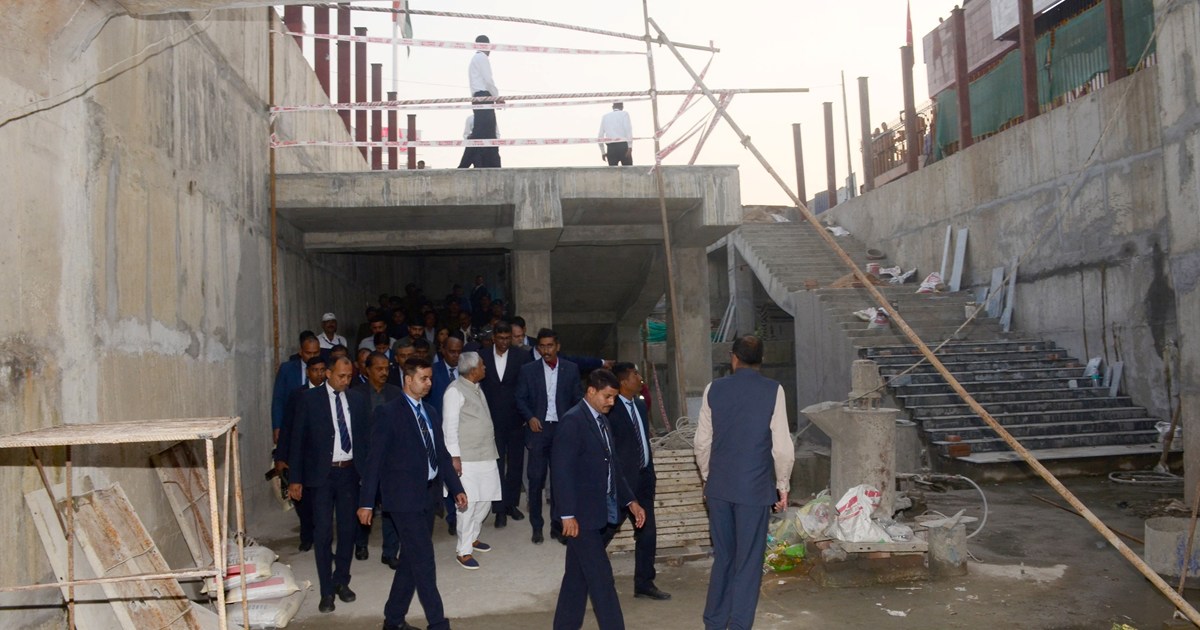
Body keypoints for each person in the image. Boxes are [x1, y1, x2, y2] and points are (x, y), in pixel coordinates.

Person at [358, 358, 467, 630]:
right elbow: (375, 461)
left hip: (428, 496)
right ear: (408, 380)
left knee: (410, 561)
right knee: (425, 561)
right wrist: (366, 503)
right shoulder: (388, 413)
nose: (429, 383)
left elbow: (440, 454)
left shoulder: (430, 411)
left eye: (430, 378)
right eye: (424, 378)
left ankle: (393, 620)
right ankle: (438, 624)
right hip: (402, 499)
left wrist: (456, 489)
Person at [694, 336, 795, 630]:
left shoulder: (714, 389)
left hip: (720, 489)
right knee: (748, 563)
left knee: (723, 557)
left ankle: (714, 622)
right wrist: (783, 486)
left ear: (733, 357)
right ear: (760, 360)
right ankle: (738, 625)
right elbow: (782, 447)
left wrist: (708, 478)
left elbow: (702, 443)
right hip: (754, 490)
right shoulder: (773, 390)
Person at [550, 369, 645, 630]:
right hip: (581, 517)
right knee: (602, 580)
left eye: (614, 397)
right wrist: (566, 513)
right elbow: (561, 471)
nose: (611, 402)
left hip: (599, 510)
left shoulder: (602, 419)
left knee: (576, 579)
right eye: (607, 396)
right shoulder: (573, 422)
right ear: (591, 391)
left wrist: (630, 500)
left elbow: (613, 465)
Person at [287, 356, 371, 613]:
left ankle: (341, 581)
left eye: (349, 376)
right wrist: (295, 479)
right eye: (340, 376)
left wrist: (368, 475)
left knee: (348, 531)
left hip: (349, 474)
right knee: (323, 533)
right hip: (321, 477)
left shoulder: (357, 400)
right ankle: (326, 592)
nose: (345, 381)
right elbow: (297, 440)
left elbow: (366, 439)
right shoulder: (309, 400)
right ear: (327, 373)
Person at [606, 362, 670, 600]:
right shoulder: (611, 409)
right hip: (623, 482)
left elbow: (644, 440)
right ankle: (585, 570)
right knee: (608, 528)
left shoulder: (640, 405)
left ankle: (644, 583)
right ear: (623, 381)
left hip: (643, 478)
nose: (640, 378)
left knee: (648, 532)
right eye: (635, 375)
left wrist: (650, 471)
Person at [516, 328, 583, 544]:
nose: (546, 350)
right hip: (538, 431)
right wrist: (530, 417)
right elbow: (520, 398)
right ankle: (537, 526)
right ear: (538, 348)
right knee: (535, 480)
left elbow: (577, 399)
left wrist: (572, 424)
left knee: (560, 479)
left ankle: (557, 525)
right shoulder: (528, 370)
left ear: (558, 346)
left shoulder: (571, 369)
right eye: (542, 346)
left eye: (550, 346)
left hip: (562, 431)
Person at [441, 351, 501, 569]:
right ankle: (463, 550)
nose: (485, 368)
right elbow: (449, 428)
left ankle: (473, 537)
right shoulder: (454, 391)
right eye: (483, 365)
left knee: (486, 499)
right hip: (466, 459)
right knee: (467, 504)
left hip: (486, 454)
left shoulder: (476, 387)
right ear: (474, 369)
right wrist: (454, 458)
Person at [351, 352, 405, 566]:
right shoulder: (355, 395)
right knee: (364, 503)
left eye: (386, 368)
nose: (384, 372)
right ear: (367, 370)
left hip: (391, 461)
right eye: (379, 368)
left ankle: (390, 552)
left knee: (390, 506)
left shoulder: (396, 393)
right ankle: (361, 543)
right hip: (364, 457)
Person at [480, 322, 532, 528]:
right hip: (491, 421)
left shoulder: (522, 356)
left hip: (516, 420)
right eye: (500, 338)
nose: (503, 342)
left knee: (516, 465)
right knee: (496, 465)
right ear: (494, 337)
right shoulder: (482, 356)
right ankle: (499, 509)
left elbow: (526, 388)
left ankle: (512, 504)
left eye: (507, 338)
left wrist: (527, 415)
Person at [274, 355, 328, 553]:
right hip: (302, 456)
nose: (319, 374)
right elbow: (288, 427)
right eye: (315, 370)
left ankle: (323, 539)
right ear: (308, 372)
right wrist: (281, 456)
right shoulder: (298, 395)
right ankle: (307, 536)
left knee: (321, 502)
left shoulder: (331, 394)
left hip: (323, 457)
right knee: (303, 501)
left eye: (323, 370)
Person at [272, 334, 321, 445]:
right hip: (292, 425)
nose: (312, 356)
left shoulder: (326, 370)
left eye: (316, 352)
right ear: (301, 352)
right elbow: (278, 399)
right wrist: (277, 426)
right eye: (308, 353)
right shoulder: (286, 369)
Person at [467, 36, 502, 168]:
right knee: (483, 133)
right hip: (483, 97)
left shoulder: (474, 60)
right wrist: (496, 97)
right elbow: (488, 80)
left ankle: (490, 164)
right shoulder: (482, 58)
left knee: (485, 133)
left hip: (478, 98)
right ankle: (464, 165)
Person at [598, 102, 633, 166]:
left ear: (613, 107)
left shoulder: (605, 117)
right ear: (622, 107)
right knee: (628, 172)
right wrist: (630, 147)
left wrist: (603, 152)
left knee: (612, 173)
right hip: (623, 146)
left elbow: (600, 136)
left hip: (611, 148)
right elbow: (628, 130)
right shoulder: (624, 114)